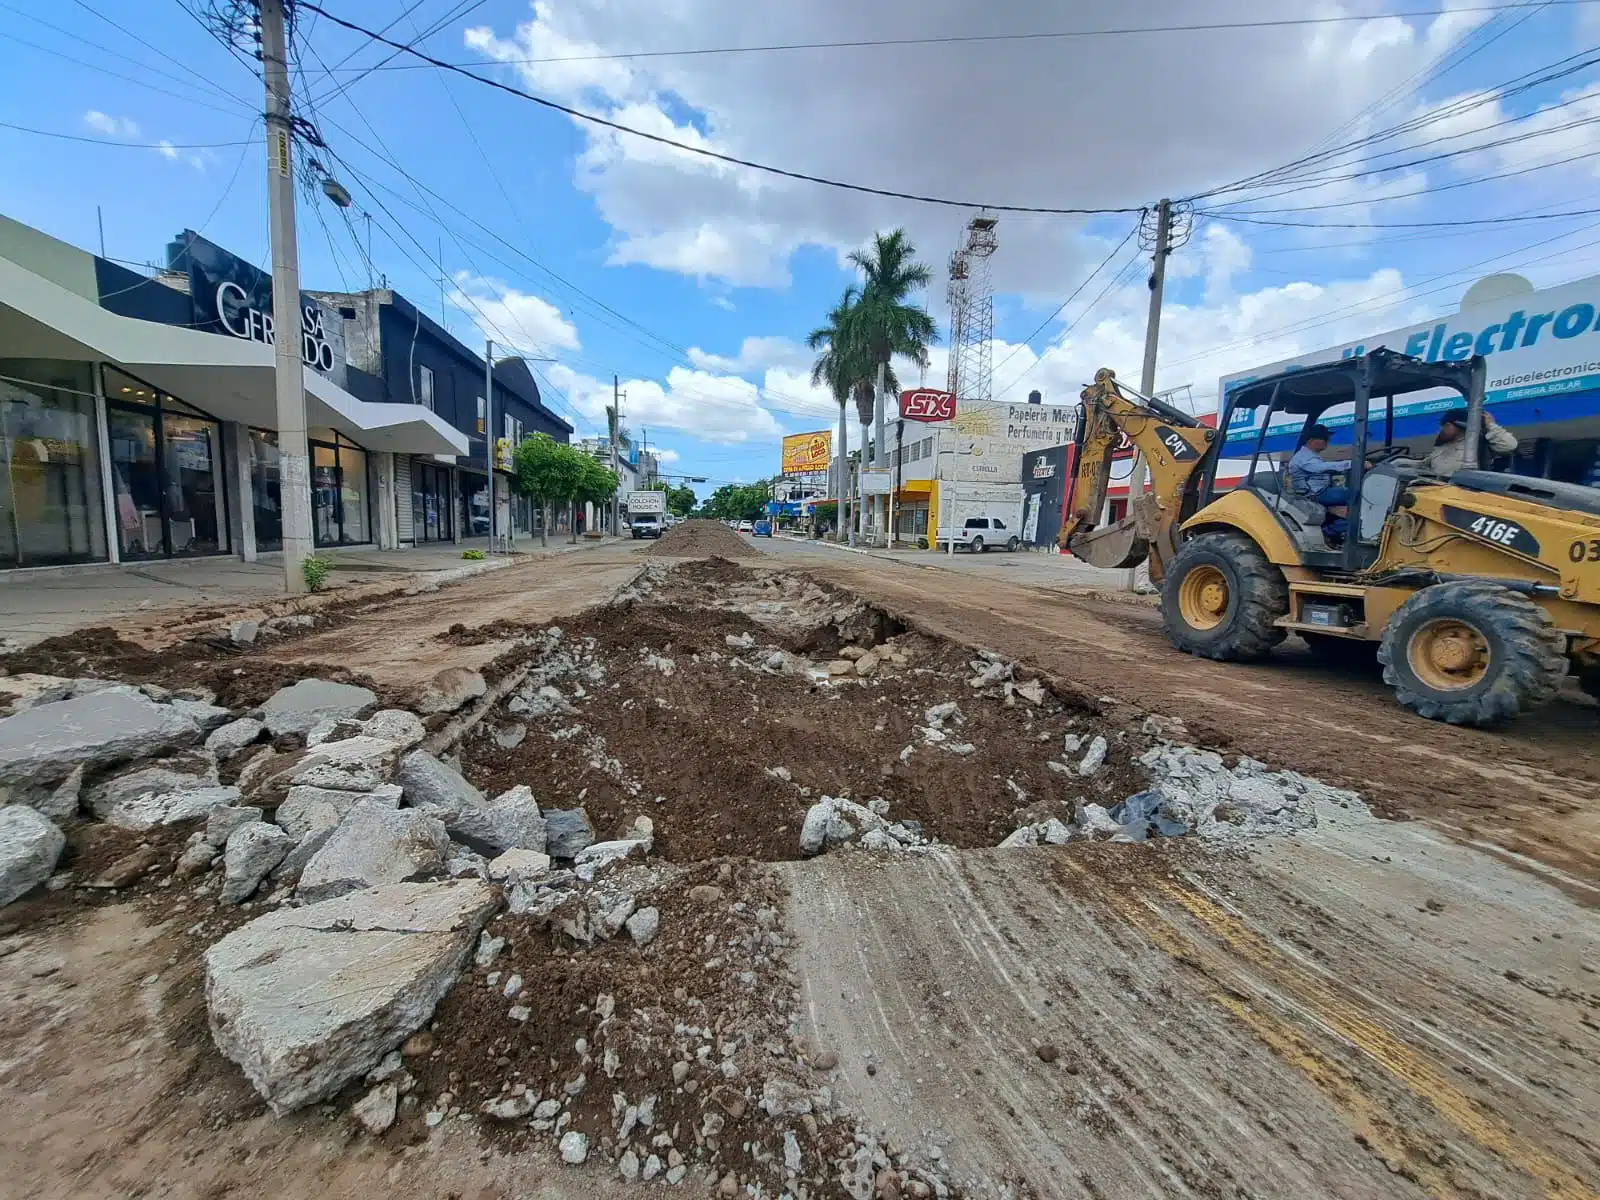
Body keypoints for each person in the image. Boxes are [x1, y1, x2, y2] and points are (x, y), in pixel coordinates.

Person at [1287, 424, 1353, 541]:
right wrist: (1352, 464)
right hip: (1313, 494)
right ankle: (1328, 532)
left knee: (1356, 502)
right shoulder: (1303, 457)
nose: (1327, 442)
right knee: (1355, 495)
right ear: (1312, 440)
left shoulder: (1312, 456)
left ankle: (1339, 529)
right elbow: (1319, 468)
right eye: (1325, 439)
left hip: (1320, 492)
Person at [1423, 408, 1517, 475]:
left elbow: (1509, 445)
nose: (1442, 429)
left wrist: (1491, 425)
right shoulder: (1441, 447)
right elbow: (1424, 464)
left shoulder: (1477, 443)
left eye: (1447, 425)